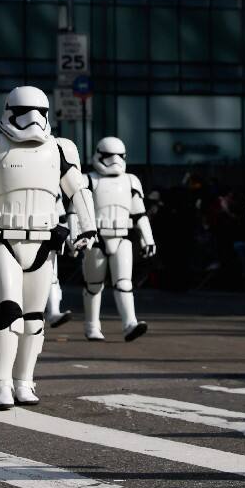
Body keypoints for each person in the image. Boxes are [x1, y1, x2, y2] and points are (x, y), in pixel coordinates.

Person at [0, 86, 99, 410]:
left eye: (39, 112)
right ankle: (1, 384)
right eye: (23, 112)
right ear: (9, 112)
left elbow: (78, 190)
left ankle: (24, 382)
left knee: (34, 318)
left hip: (43, 242)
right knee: (8, 311)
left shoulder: (59, 148)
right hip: (2, 238)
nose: (32, 119)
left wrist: (88, 227)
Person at [81, 137, 155, 342]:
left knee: (124, 283)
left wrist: (148, 238)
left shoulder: (130, 180)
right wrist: (76, 235)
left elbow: (139, 214)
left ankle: (130, 324)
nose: (114, 160)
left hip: (122, 236)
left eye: (119, 156)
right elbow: (76, 212)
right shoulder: (88, 180)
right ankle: (92, 325)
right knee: (93, 285)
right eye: (108, 156)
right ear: (98, 155)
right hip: (96, 238)